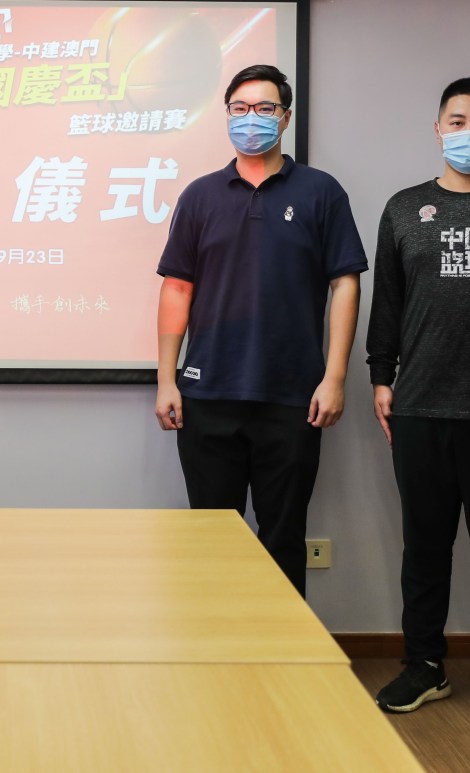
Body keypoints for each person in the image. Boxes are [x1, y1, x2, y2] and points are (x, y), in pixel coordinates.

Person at [154, 64, 367, 597]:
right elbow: (177, 289)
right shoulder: (200, 196)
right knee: (211, 541)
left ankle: (284, 648)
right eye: (240, 108)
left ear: (286, 117)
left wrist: (334, 378)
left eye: (265, 108)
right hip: (208, 396)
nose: (252, 118)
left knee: (283, 540)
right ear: (227, 115)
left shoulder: (321, 192)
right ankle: (215, 645)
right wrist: (166, 380)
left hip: (293, 399)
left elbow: (345, 284)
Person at [367, 77, 470, 713]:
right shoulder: (406, 208)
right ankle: (425, 664)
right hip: (422, 404)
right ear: (438, 129)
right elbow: (389, 302)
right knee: (426, 548)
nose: (467, 132)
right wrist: (382, 375)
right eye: (458, 121)